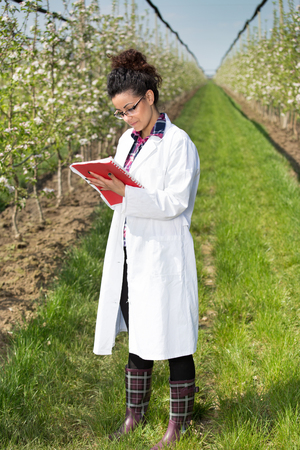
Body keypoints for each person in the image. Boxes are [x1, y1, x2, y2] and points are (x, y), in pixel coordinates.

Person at [87, 48, 200, 449]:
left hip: (163, 252)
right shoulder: (126, 141)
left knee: (173, 337)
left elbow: (175, 202)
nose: (126, 118)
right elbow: (124, 196)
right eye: (119, 112)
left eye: (130, 108)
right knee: (139, 334)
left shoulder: (177, 143)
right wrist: (107, 188)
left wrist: (124, 193)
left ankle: (178, 424)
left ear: (149, 97)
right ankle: (135, 413)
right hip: (130, 251)